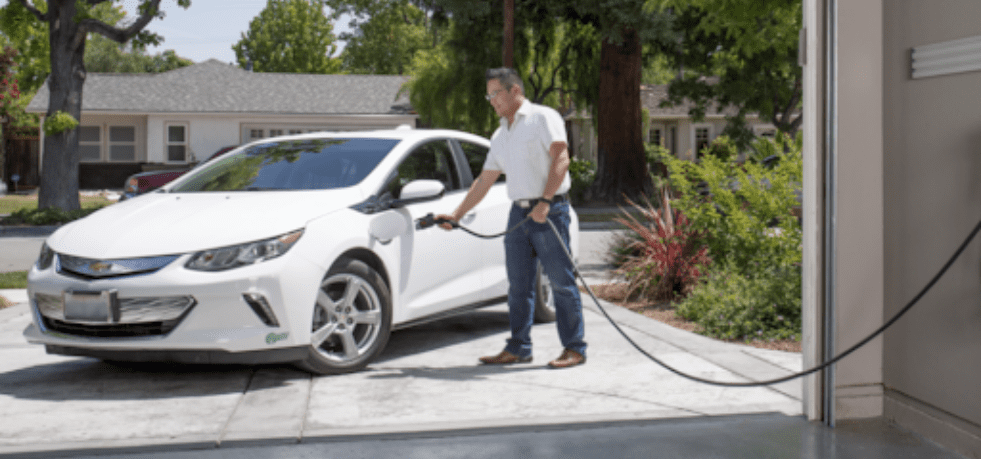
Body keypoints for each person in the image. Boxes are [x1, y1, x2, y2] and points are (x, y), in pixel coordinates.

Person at [437, 67, 587, 369]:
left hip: (550, 211)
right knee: (518, 285)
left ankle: (574, 348)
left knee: (561, 283)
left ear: (514, 91)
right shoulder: (500, 133)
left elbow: (561, 158)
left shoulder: (543, 118)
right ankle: (519, 346)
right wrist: (456, 215)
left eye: (495, 94)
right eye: (488, 95)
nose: (491, 100)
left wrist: (545, 201)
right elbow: (485, 179)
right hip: (518, 214)